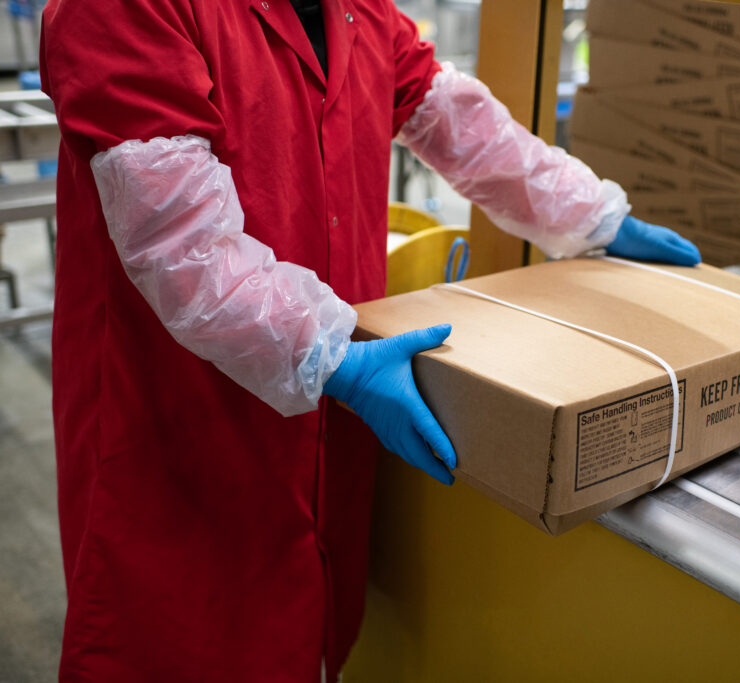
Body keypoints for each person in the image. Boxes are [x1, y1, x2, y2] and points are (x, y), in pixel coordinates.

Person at [40, 0, 700, 680]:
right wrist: (330, 357)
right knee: (179, 640)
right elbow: (182, 247)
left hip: (323, 420)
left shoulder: (356, 11)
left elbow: (459, 122)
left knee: (304, 633)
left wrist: (594, 217)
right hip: (180, 424)